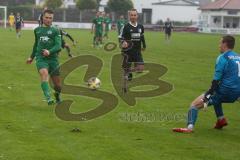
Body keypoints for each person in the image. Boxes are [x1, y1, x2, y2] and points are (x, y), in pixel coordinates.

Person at [173, 35, 240, 133]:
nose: (219, 45)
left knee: (194, 105)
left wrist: (208, 95)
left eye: (220, 43)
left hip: (225, 91)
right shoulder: (238, 57)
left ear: (225, 44)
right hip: (237, 92)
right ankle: (221, 120)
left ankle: (189, 127)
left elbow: (216, 81)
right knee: (217, 98)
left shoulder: (222, 58)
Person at [26, 9, 62, 105]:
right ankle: (48, 97)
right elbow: (36, 44)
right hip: (41, 58)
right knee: (44, 73)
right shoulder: (37, 30)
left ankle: (57, 95)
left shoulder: (56, 30)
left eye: (50, 18)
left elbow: (58, 46)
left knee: (58, 85)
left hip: (53, 59)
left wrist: (49, 51)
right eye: (46, 17)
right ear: (42, 17)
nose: (48, 20)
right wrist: (31, 57)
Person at [120, 9, 146, 82]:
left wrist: (144, 45)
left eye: (135, 15)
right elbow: (121, 37)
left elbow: (142, 36)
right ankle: (126, 72)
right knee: (126, 71)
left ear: (137, 16)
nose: (133, 16)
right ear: (129, 16)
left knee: (140, 69)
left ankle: (128, 71)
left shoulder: (141, 26)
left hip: (137, 51)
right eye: (131, 15)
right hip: (128, 51)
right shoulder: (126, 26)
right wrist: (124, 42)